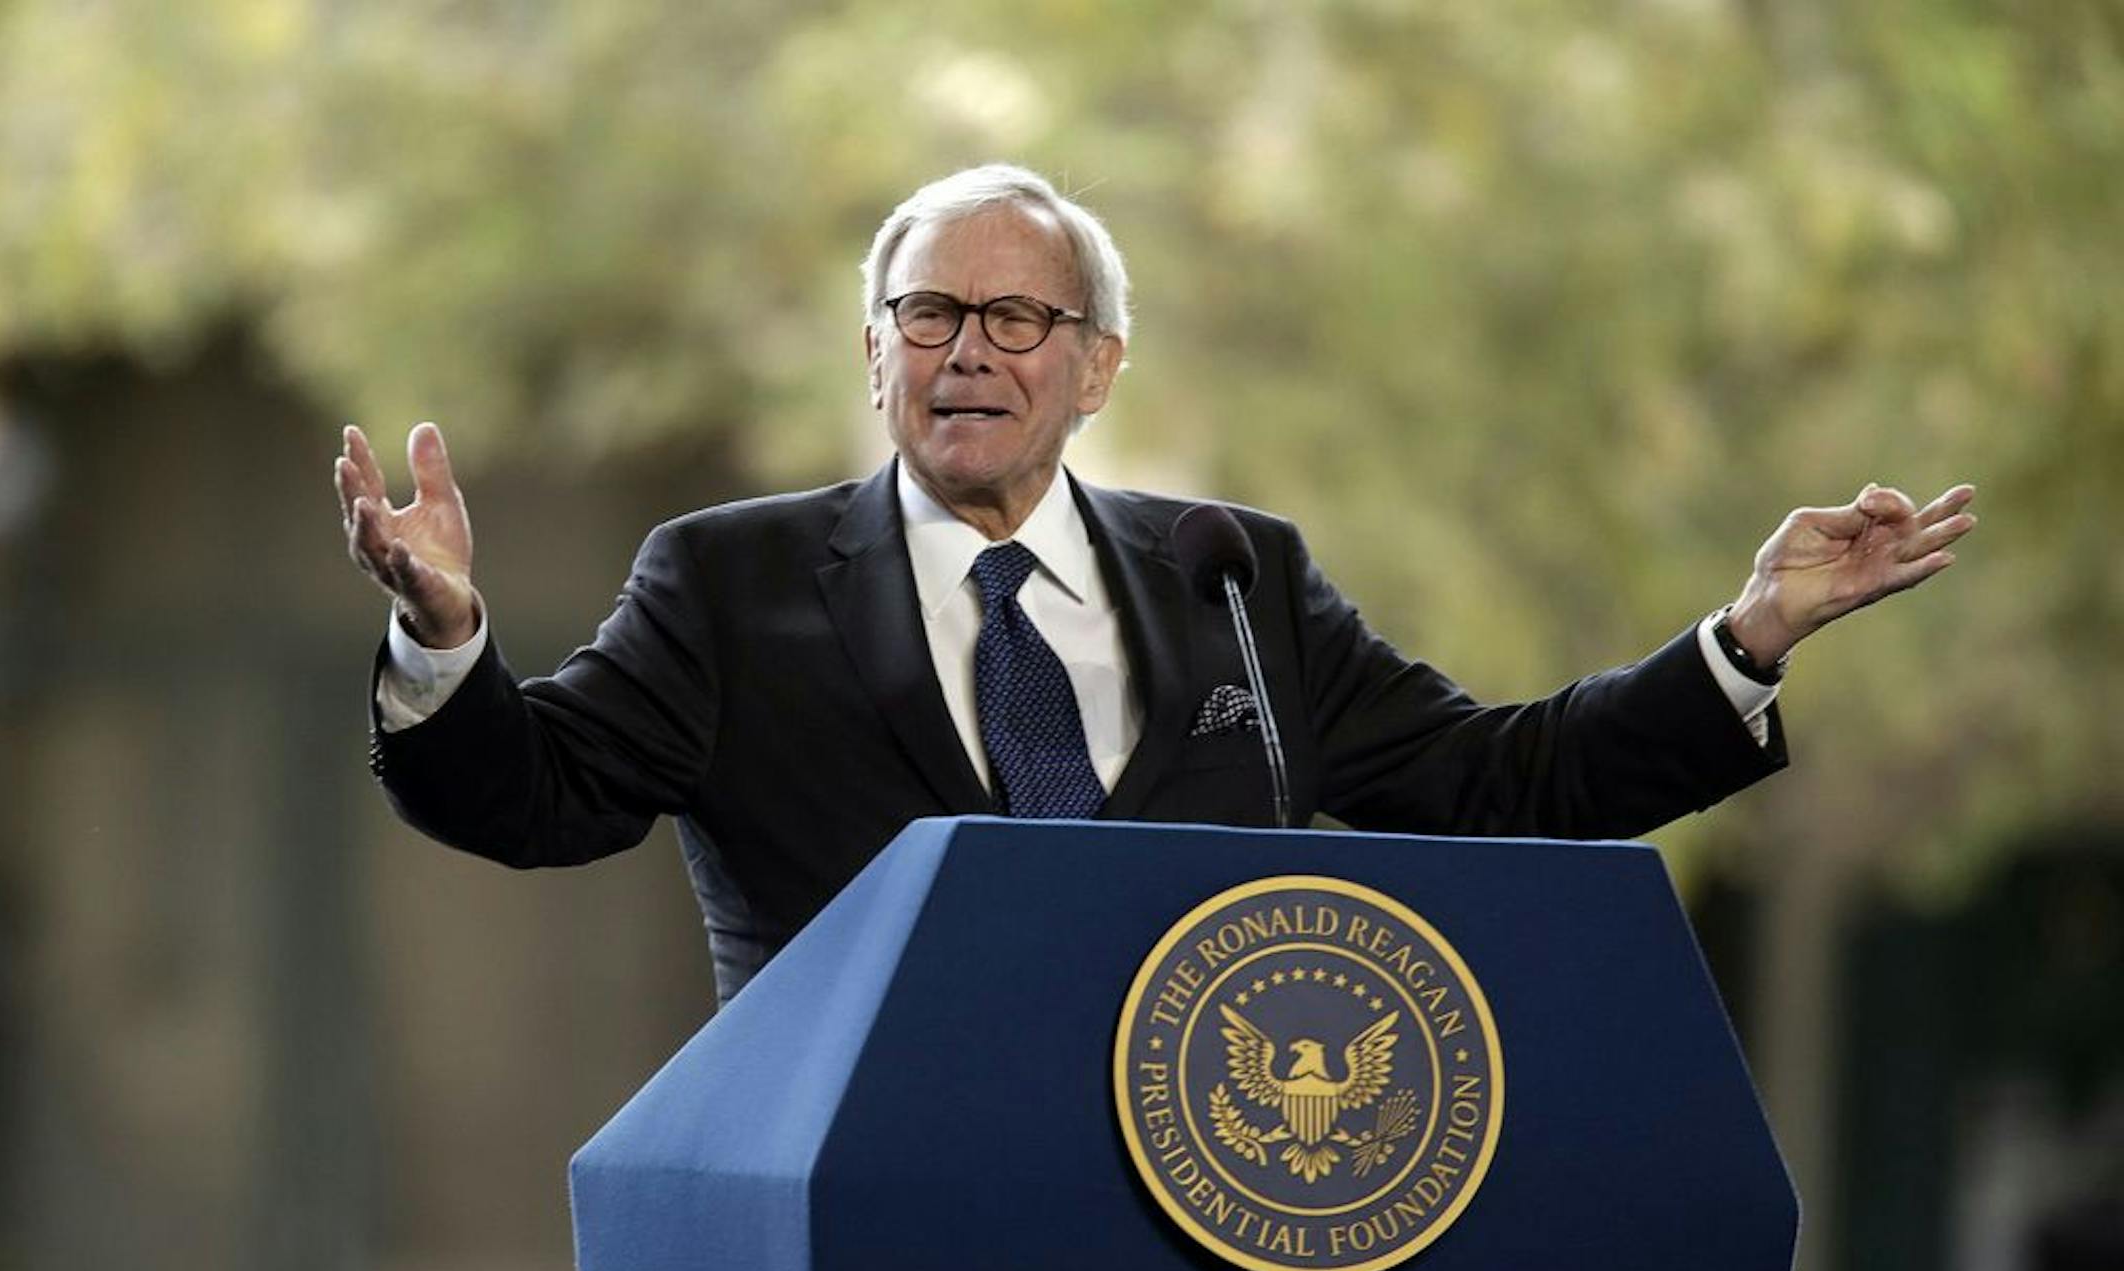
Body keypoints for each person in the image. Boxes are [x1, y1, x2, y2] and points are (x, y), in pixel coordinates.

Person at [335, 164, 1977, 1003]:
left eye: (1017, 318)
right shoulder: (730, 578)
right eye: (927, 313)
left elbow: (1499, 781)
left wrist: (1749, 637)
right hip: (868, 1226)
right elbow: (532, 798)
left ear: (1099, 365)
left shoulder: (1230, 580)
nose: (968, 348)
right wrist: (446, 634)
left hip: (1202, 1223)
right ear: (872, 350)